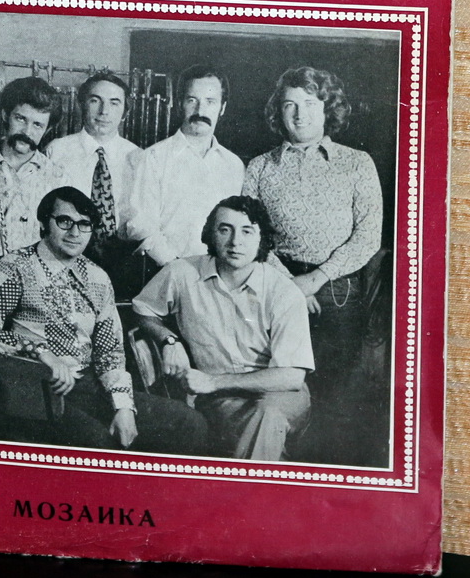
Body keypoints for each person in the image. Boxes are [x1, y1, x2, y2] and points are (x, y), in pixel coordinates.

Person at [0, 186, 208, 454]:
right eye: (64, 221)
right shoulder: (15, 267)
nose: (74, 232)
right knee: (99, 444)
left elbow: (110, 353)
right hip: (35, 388)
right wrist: (40, 351)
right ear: (44, 223)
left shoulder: (97, 278)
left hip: (89, 386)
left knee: (189, 423)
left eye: (84, 224)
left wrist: (123, 408)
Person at [242, 67, 383, 453]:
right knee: (280, 390)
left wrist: (316, 279)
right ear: (278, 112)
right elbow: (250, 233)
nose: (299, 114)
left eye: (309, 103)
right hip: (275, 289)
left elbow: (368, 236)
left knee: (335, 400)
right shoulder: (260, 166)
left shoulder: (357, 163)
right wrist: (290, 286)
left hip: (337, 295)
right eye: (290, 105)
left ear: (327, 108)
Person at [132, 196, 313, 462]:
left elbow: (291, 377)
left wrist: (213, 382)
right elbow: (142, 310)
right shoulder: (182, 273)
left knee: (268, 415)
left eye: (247, 231)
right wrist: (168, 339)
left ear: (262, 239)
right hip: (220, 400)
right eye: (225, 229)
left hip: (280, 395)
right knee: (261, 434)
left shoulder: (284, 292)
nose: (235, 241)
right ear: (211, 234)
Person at [126, 65, 244, 280]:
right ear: (180, 103)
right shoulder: (154, 157)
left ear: (222, 108)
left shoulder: (233, 165)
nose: (200, 111)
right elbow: (140, 225)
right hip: (165, 274)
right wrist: (178, 269)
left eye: (210, 102)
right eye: (192, 100)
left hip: (222, 276)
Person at [0, 76, 65, 299]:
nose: (27, 131)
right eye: (20, 118)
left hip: (31, 278)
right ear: (6, 114)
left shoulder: (56, 176)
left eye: (37, 125)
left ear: (48, 129)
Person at [46, 70, 141, 292]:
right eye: (95, 100)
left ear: (125, 112)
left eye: (114, 103)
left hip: (123, 261)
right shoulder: (57, 151)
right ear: (81, 105)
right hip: (65, 255)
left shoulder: (138, 157)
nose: (104, 111)